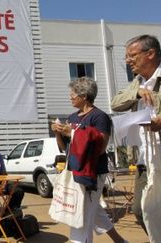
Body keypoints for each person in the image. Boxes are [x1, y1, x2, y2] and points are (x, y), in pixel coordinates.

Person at [52, 77, 127, 243]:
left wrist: (72, 133)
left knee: (81, 216)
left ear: (84, 96)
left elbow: (100, 148)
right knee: (94, 211)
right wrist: (58, 133)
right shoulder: (72, 117)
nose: (70, 97)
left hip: (92, 173)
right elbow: (66, 148)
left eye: (73, 94)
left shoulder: (100, 117)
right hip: (74, 171)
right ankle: (120, 241)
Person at [111, 34, 161, 237]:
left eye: (132, 55)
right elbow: (115, 102)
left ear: (150, 54)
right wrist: (137, 93)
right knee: (140, 211)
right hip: (144, 157)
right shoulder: (137, 82)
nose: (128, 60)